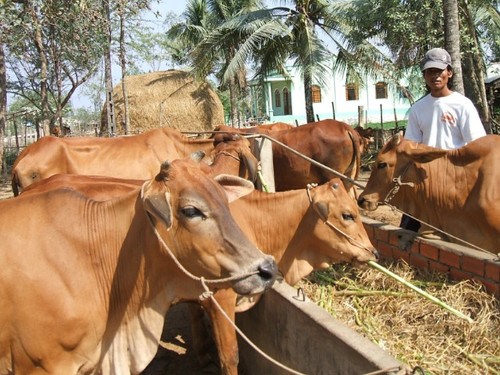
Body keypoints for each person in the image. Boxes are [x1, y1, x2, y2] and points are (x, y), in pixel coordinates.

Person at [401, 47, 487, 233]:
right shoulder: (418, 109)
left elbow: (477, 145)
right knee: (408, 230)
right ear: (424, 75)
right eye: (430, 72)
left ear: (449, 72)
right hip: (427, 177)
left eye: (439, 71)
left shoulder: (462, 105)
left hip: (457, 177)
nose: (435, 76)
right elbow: (411, 146)